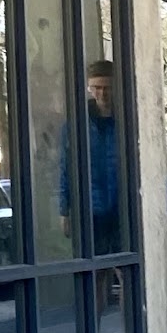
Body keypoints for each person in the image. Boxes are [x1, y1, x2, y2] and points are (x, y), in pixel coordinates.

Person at [59, 60, 123, 240]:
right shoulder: (76, 124)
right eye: (96, 88)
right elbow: (66, 169)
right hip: (88, 210)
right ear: (89, 88)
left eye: (107, 88)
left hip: (123, 209)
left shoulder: (128, 121)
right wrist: (64, 210)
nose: (102, 93)